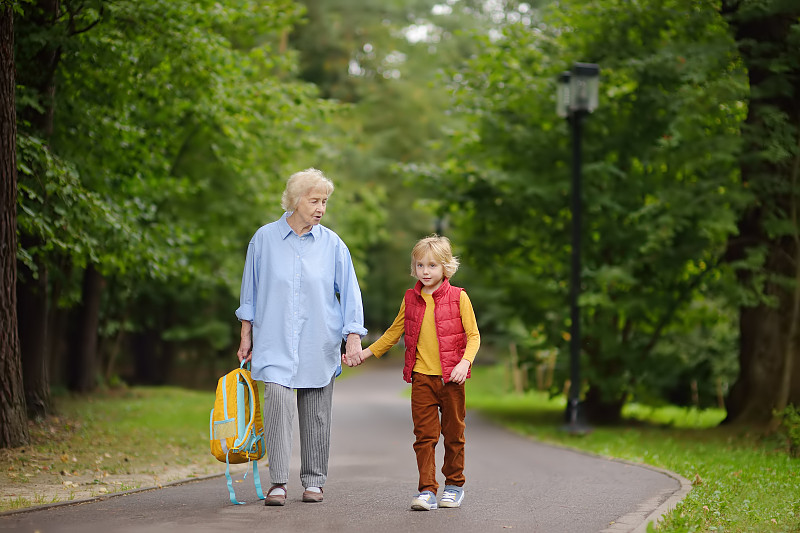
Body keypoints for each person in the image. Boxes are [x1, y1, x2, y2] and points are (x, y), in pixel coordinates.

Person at [235, 168, 366, 506]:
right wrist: (245, 333)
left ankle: (314, 481)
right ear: (295, 200)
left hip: (318, 339)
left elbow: (350, 293)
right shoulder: (263, 239)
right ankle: (278, 482)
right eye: (314, 200)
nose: (321, 207)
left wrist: (353, 337)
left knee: (317, 411)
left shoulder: (333, 244)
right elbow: (249, 291)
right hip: (273, 340)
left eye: (324, 201)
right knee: (277, 402)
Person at [344, 234, 480, 511]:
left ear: (445, 267)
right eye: (420, 266)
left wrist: (464, 363)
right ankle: (427, 491)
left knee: (454, 434)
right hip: (421, 379)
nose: (425, 271)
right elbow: (393, 333)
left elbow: (473, 336)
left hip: (451, 379)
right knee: (424, 437)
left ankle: (454, 486)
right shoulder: (411, 298)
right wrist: (364, 354)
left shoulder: (458, 297)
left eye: (432, 266)